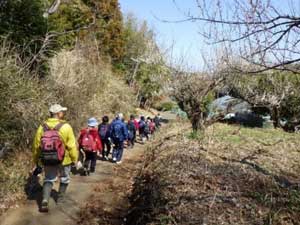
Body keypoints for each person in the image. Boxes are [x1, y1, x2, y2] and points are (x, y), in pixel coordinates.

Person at [32, 104, 78, 212]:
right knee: (64, 178)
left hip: (47, 158)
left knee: (48, 179)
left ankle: (45, 200)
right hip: (64, 159)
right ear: (58, 114)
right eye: (62, 111)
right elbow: (71, 145)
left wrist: (36, 160)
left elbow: (36, 146)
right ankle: (60, 200)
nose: (63, 113)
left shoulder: (41, 127)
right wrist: (74, 159)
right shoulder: (66, 127)